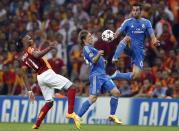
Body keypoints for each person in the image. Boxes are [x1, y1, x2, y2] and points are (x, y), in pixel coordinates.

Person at [18, 33, 80, 129]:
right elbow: (37, 55)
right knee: (72, 87)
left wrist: (29, 90)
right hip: (47, 74)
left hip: (40, 78)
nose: (31, 38)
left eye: (31, 37)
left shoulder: (23, 57)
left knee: (49, 102)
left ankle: (36, 124)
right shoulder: (30, 49)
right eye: (28, 38)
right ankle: (70, 113)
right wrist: (50, 47)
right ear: (24, 42)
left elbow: (23, 74)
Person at [77, 30, 123, 127]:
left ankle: (112, 115)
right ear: (84, 39)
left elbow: (97, 61)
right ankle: (77, 116)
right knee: (93, 98)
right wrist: (98, 54)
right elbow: (93, 60)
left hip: (103, 75)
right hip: (96, 76)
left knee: (116, 92)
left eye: (91, 36)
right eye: (89, 36)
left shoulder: (92, 48)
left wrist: (103, 61)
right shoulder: (86, 48)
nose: (91, 37)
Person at [111, 3, 160, 80]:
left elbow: (152, 35)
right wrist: (115, 34)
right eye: (133, 10)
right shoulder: (127, 22)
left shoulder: (146, 22)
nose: (135, 12)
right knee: (127, 38)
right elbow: (119, 30)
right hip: (129, 47)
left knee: (136, 76)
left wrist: (155, 40)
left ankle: (118, 74)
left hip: (139, 51)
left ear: (140, 11)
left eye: (137, 10)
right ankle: (115, 57)